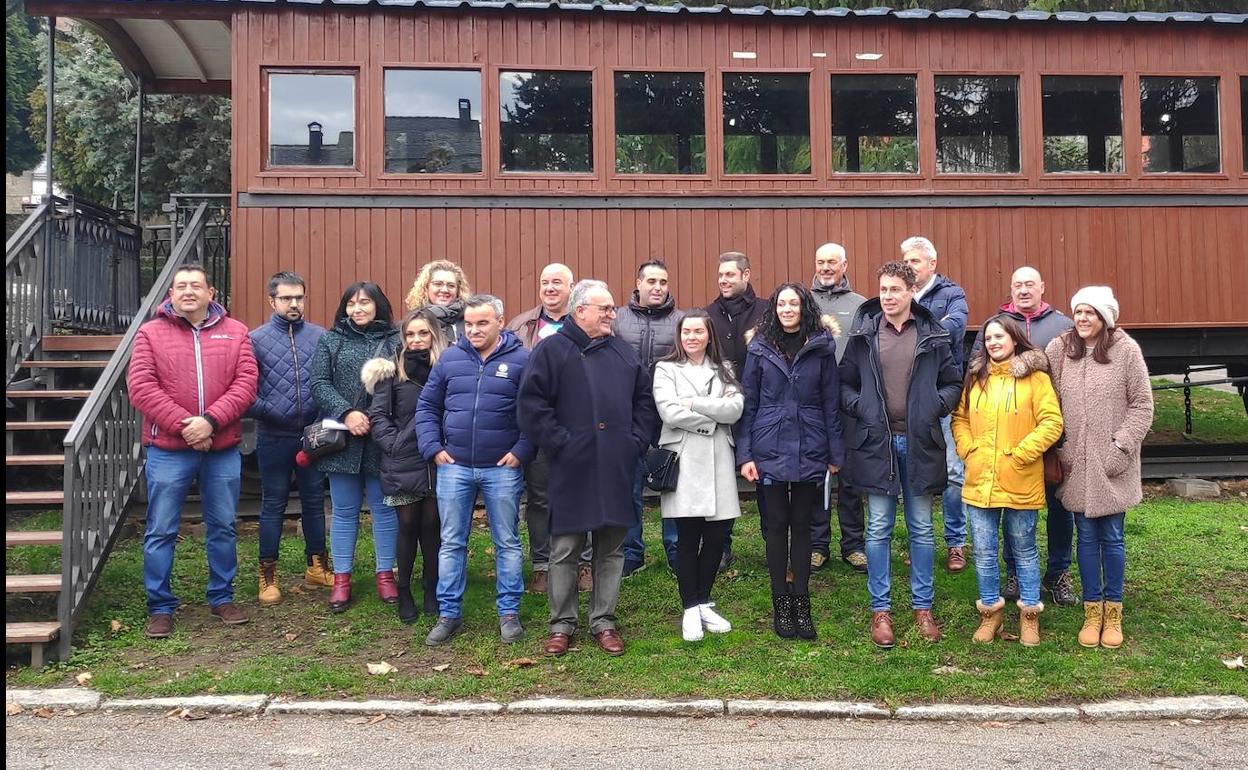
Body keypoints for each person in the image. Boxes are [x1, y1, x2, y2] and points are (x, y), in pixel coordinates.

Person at [518, 279, 659, 657]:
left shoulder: (623, 353)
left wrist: (634, 443)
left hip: (615, 463)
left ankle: (604, 621)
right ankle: (562, 623)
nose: (613, 314)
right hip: (570, 466)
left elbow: (644, 403)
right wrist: (561, 442)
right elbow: (532, 405)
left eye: (612, 308)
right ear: (580, 312)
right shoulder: (551, 351)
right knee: (565, 547)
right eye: (605, 309)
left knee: (611, 548)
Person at [128, 264, 258, 638]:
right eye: (181, 286)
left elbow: (246, 384)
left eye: (196, 286)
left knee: (223, 526)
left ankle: (222, 597)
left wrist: (212, 422)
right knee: (161, 529)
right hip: (169, 447)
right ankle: (161, 606)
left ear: (210, 292)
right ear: (170, 293)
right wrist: (189, 426)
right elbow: (141, 388)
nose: (188, 291)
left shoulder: (236, 333)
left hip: (221, 448)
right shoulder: (150, 334)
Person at [840, 261, 962, 649]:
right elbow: (844, 384)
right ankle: (881, 610)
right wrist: (862, 408)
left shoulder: (931, 333)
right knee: (878, 528)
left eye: (896, 289)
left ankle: (922, 608)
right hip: (877, 443)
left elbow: (953, 381)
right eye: (884, 289)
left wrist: (933, 406)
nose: (888, 296)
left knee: (922, 528)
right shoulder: (863, 334)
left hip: (920, 441)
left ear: (911, 291)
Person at [416, 295, 535, 645]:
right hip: (454, 468)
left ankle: (509, 613)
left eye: (482, 323)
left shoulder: (521, 360)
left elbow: (534, 410)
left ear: (500, 320)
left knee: (508, 542)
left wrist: (522, 450)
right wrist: (433, 448)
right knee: (452, 542)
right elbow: (427, 407)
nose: (474, 330)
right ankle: (448, 613)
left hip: (502, 468)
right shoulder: (450, 359)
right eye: (469, 324)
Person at [1044, 287, 1153, 650]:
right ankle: (1092, 612)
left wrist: (1119, 447)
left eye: (1090, 312)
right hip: (1076, 465)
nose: (1082, 318)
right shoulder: (1061, 349)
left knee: (1113, 538)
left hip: (1112, 466)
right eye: (1078, 312)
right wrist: (1061, 447)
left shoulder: (1126, 351)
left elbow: (1142, 405)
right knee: (1086, 539)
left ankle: (1114, 610)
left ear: (1105, 317)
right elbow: (1046, 394)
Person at [736, 283, 845, 641]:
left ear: (804, 308)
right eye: (781, 303)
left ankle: (802, 601)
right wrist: (745, 454)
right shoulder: (760, 347)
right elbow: (748, 404)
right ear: (774, 309)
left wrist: (834, 453)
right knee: (775, 528)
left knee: (803, 527)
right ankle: (780, 603)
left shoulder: (821, 346)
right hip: (769, 446)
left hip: (810, 444)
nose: (787, 309)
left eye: (793, 303)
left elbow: (831, 402)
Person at [952, 315, 1063, 647]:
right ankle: (991, 615)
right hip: (980, 479)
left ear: (1015, 339)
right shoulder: (976, 378)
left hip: (1020, 478)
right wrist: (967, 448)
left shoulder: (1036, 379)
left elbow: (1052, 422)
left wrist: (1022, 453)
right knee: (985, 552)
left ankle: (1029, 616)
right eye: (988, 339)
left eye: (999, 337)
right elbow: (960, 418)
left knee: (1024, 550)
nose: (993, 343)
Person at [971, 267, 1078, 607]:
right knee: (1010, 505)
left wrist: (1033, 361)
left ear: (1043, 287)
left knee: (1060, 506)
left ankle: (1059, 572)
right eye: (1017, 285)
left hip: (1053, 432)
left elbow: (1071, 372)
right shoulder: (996, 324)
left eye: (1030, 284)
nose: (1023, 290)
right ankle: (1015, 571)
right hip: (1007, 435)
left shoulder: (1061, 325)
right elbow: (978, 364)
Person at [309, 281, 401, 612]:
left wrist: (380, 417)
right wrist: (347, 413)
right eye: (351, 303)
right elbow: (318, 383)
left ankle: (385, 574)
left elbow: (403, 385)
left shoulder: (395, 341)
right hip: (342, 439)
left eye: (364, 303)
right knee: (345, 511)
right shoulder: (331, 340)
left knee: (384, 509)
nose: (357, 309)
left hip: (381, 438)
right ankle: (342, 579)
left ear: (378, 305)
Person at [652, 310, 743, 642]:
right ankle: (690, 607)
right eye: (686, 331)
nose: (692, 337)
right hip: (685, 458)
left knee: (717, 536)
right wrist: (710, 416)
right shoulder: (665, 369)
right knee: (687, 538)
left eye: (698, 331)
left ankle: (703, 601)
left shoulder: (725, 370)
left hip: (719, 458)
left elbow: (735, 409)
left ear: (709, 335)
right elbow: (668, 411)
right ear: (679, 335)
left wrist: (692, 403)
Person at [506, 263, 593, 595]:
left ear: (572, 288)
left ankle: (584, 563)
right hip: (539, 427)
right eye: (545, 282)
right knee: (540, 498)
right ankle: (542, 565)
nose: (550, 288)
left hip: (580, 426)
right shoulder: (520, 326)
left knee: (582, 494)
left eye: (558, 282)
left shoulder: (586, 324)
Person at [247, 271, 332, 606]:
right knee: (273, 503)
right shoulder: (255, 339)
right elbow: (246, 391)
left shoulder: (319, 336)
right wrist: (273, 412)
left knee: (314, 501)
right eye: (286, 298)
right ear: (272, 301)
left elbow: (329, 380)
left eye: (299, 297)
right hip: (273, 434)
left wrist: (320, 415)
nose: (294, 303)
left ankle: (317, 565)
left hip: (313, 434)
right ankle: (267, 572)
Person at [362, 308, 446, 623]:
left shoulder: (447, 367)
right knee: (408, 526)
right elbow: (379, 415)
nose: (416, 339)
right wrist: (394, 444)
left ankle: (431, 588)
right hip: (403, 460)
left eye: (423, 333)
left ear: (434, 335)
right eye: (410, 334)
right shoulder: (391, 371)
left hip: (438, 461)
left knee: (432, 527)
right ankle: (404, 590)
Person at [901, 236, 971, 574]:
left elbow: (954, 328)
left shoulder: (952, 295)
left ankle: (956, 542)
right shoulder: (900, 294)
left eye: (915, 261)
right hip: (910, 402)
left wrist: (919, 332)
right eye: (906, 261)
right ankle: (922, 540)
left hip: (943, 398)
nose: (909, 267)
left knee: (955, 474)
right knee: (919, 474)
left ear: (932, 263)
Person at [614, 259, 685, 576]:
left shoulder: (682, 321)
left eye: (663, 282)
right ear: (638, 283)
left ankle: (676, 549)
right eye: (652, 281)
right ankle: (632, 552)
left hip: (668, 416)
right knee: (628, 486)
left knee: (672, 483)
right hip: (628, 415)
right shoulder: (617, 318)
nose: (658, 287)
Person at [704, 251, 767, 570]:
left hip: (763, 408)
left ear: (746, 275)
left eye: (730, 274)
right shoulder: (708, 314)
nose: (724, 280)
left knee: (769, 480)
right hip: (722, 409)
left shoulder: (766, 310)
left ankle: (776, 545)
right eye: (721, 275)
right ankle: (720, 546)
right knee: (720, 482)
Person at [808, 242, 868, 574]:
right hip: (812, 401)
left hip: (849, 401)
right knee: (816, 474)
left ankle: (853, 544)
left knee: (850, 474)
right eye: (821, 261)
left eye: (832, 261)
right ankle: (817, 545)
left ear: (845, 264)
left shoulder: (860, 305)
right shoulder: (803, 302)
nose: (826, 267)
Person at [404, 259, 473, 342]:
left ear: (458, 290)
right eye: (438, 284)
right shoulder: (413, 321)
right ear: (426, 287)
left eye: (451, 285)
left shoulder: (470, 320)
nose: (444, 290)